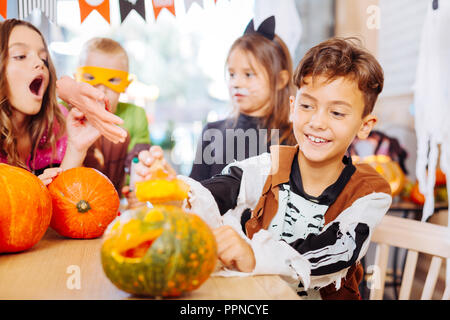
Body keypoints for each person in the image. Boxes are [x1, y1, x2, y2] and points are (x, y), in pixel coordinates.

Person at [135, 37, 392, 300]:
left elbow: (338, 249)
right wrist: (174, 191)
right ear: (293, 108)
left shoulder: (370, 192)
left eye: (337, 113)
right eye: (307, 106)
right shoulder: (269, 165)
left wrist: (253, 256)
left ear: (364, 124)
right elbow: (220, 189)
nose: (317, 122)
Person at [189, 16, 296, 181]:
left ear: (280, 80)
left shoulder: (293, 139)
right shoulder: (212, 133)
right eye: (232, 74)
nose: (236, 83)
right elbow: (192, 194)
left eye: (249, 74)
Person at [0, 19, 101, 185]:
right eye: (20, 56)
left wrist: (76, 149)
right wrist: (34, 194)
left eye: (44, 59)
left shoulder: (59, 121)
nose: (39, 63)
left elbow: (67, 203)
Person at [71, 37, 151, 194]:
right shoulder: (64, 114)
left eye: (113, 80)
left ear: (126, 85)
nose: (101, 88)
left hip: (121, 202)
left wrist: (135, 190)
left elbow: (138, 164)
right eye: (91, 77)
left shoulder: (136, 115)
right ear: (76, 78)